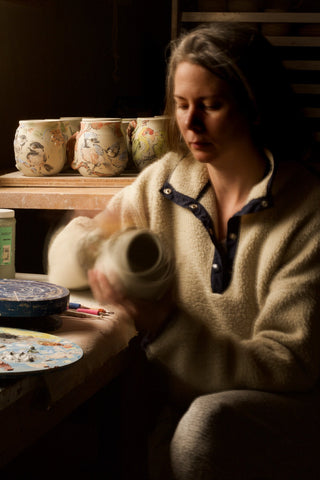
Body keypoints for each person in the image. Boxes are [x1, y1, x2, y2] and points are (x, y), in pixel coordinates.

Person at [48, 22, 320, 479]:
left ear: (255, 107)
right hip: (186, 409)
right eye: (181, 105)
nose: (190, 124)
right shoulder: (168, 181)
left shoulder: (306, 213)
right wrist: (95, 242)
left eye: (211, 106)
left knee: (201, 429)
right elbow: (63, 265)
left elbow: (286, 366)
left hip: (284, 418)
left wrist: (168, 326)